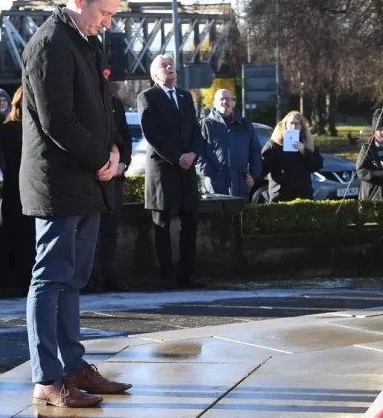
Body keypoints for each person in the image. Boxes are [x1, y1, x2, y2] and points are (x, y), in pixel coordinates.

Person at [20, 0, 132, 408]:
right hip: (58, 183)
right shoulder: (50, 44)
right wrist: (101, 159)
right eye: (103, 12)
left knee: (72, 279)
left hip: (85, 180)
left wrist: (117, 151)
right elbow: (57, 121)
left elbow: (104, 110)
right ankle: (48, 378)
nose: (108, 22)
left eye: (112, 15)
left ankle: (73, 366)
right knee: (50, 279)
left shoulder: (87, 41)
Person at [137, 54, 204, 289]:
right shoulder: (147, 97)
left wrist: (193, 154)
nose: (170, 68)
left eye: (172, 65)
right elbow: (152, 134)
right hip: (163, 169)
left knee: (190, 221)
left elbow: (196, 130)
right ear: (155, 75)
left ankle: (187, 274)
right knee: (162, 224)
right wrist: (177, 157)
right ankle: (166, 276)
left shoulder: (186, 97)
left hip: (187, 169)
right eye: (164, 66)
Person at [0, 88, 35, 290]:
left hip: (34, 190)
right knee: (12, 235)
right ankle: (8, 280)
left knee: (29, 237)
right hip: (15, 190)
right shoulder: (10, 127)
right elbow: (12, 160)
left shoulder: (38, 126)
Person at [89, 93, 132, 292]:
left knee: (111, 229)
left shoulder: (114, 102)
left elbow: (124, 134)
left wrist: (123, 162)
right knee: (90, 230)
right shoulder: (83, 98)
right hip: (93, 176)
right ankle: (91, 277)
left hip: (114, 178)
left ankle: (109, 275)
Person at [197, 88, 262, 198]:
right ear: (214, 103)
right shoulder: (205, 125)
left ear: (233, 102)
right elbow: (198, 153)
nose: (224, 102)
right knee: (215, 214)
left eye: (228, 99)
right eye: (221, 99)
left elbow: (255, 151)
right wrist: (210, 173)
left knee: (239, 215)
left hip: (240, 183)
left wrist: (253, 175)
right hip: (215, 184)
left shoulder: (245, 125)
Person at [261, 111, 323, 202]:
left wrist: (304, 152)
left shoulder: (307, 144)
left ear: (301, 127)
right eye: (291, 124)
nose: (293, 127)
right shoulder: (274, 144)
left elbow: (317, 165)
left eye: (296, 124)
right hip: (280, 196)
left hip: (303, 196)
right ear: (285, 125)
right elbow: (262, 168)